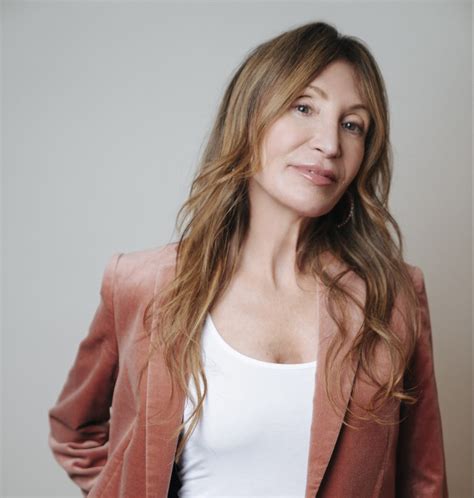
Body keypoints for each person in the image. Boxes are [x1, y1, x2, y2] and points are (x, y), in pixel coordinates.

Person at [47, 20, 449, 497]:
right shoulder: (142, 284)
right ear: (249, 116)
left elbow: (424, 481)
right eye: (303, 107)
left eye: (352, 125)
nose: (329, 143)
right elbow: (74, 431)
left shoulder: (393, 297)